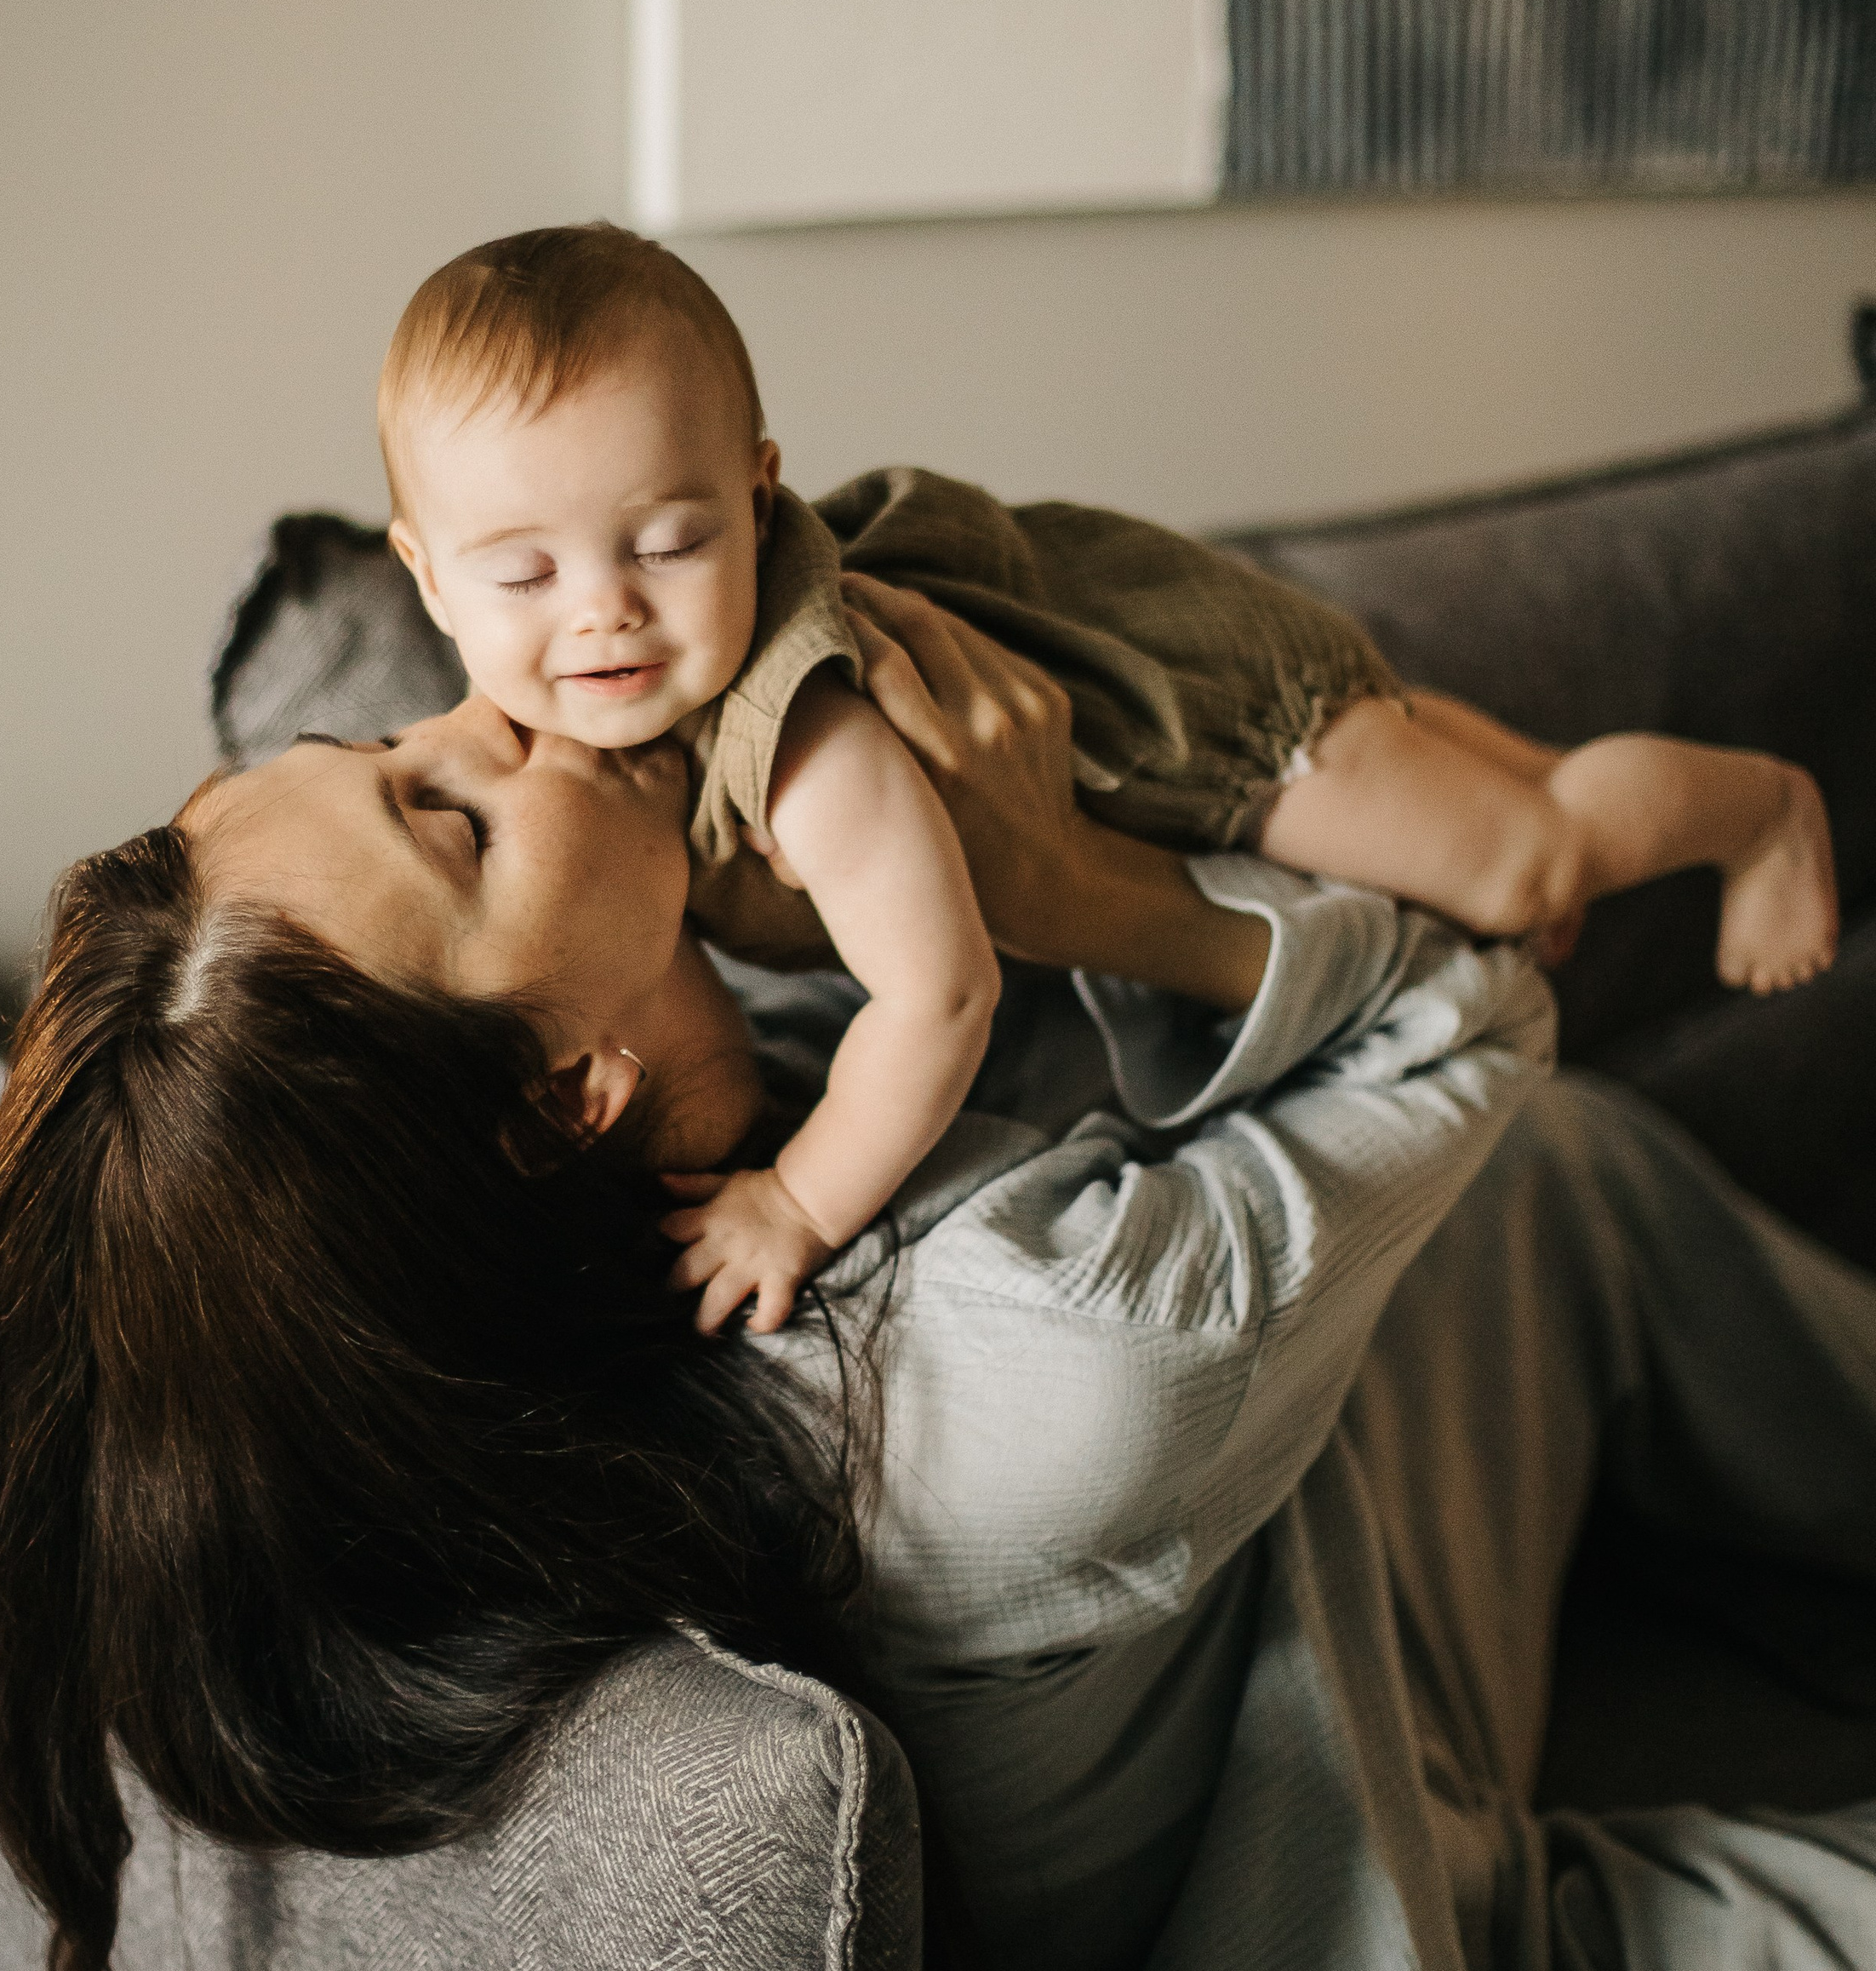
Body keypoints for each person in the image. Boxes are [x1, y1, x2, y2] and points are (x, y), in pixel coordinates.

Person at [0, 590, 1876, 1971]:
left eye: (386, 737)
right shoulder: (1022, 1390)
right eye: (451, 816)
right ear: (562, 1097)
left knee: (1563, 1187)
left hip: (1314, 1571)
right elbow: (1478, 1001)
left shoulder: (657, 1150)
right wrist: (1080, 885)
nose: (485, 708)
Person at [375, 224, 1839, 1336]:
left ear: (758, 493)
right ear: (429, 576)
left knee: (1527, 866)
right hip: (1166, 646)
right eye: (524, 572)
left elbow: (941, 996)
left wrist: (797, 1203)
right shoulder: (533, 722)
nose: (604, 611)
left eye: (669, 541)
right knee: (1460, 787)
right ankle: (1487, 788)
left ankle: (1761, 811)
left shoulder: (806, 739)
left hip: (1209, 732)